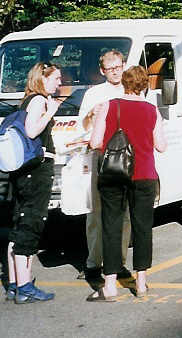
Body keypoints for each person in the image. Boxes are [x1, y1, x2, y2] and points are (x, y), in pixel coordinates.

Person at [87, 66, 166, 301]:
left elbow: (95, 142)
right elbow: (161, 145)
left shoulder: (110, 105)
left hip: (113, 175)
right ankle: (141, 283)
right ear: (145, 86)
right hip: (144, 175)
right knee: (142, 228)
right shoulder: (153, 110)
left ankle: (109, 286)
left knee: (111, 226)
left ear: (124, 83)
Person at [5, 62, 63, 303]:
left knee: (19, 224)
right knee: (31, 224)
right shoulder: (39, 100)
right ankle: (25, 286)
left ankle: (13, 282)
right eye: (57, 78)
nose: (60, 83)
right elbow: (31, 132)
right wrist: (50, 113)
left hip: (25, 171)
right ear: (43, 78)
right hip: (36, 171)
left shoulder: (28, 100)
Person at [77, 50, 132, 284]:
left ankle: (118, 261)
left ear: (124, 65)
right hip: (101, 156)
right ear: (102, 71)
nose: (116, 72)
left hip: (127, 157)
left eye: (118, 67)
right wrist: (92, 113)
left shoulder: (131, 90)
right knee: (96, 212)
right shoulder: (94, 93)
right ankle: (93, 261)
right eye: (110, 69)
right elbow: (84, 125)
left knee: (124, 213)